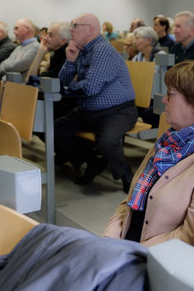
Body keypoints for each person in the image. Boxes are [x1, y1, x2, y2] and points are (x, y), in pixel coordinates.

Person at [104, 59, 194, 248]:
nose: (164, 99)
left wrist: (130, 254)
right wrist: (108, 239)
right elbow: (130, 202)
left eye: (171, 94)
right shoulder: (170, 140)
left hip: (157, 261)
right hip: (129, 249)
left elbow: (193, 237)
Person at [54, 13, 138, 192]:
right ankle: (92, 163)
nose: (71, 30)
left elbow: (90, 88)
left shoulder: (102, 50)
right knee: (56, 129)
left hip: (118, 111)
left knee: (106, 141)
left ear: (89, 29)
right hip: (88, 111)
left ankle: (125, 173)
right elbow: (63, 81)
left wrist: (72, 85)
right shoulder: (81, 50)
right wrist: (70, 61)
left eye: (75, 26)